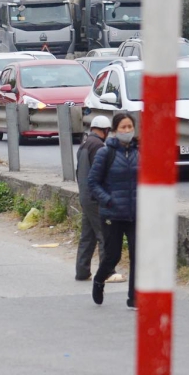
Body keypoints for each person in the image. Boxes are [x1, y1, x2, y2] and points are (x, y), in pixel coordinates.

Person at [88, 111, 139, 308]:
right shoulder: (105, 153)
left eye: (130, 127)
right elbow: (93, 182)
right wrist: (108, 201)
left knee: (138, 255)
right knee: (113, 255)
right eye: (123, 127)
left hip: (134, 214)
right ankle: (99, 280)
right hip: (112, 214)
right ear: (115, 131)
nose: (127, 131)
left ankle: (133, 297)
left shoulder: (138, 152)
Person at [74, 114, 113, 281]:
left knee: (87, 236)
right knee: (104, 234)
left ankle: (82, 272)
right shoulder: (98, 146)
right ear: (106, 130)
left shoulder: (84, 144)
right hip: (95, 198)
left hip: (85, 196)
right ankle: (107, 272)